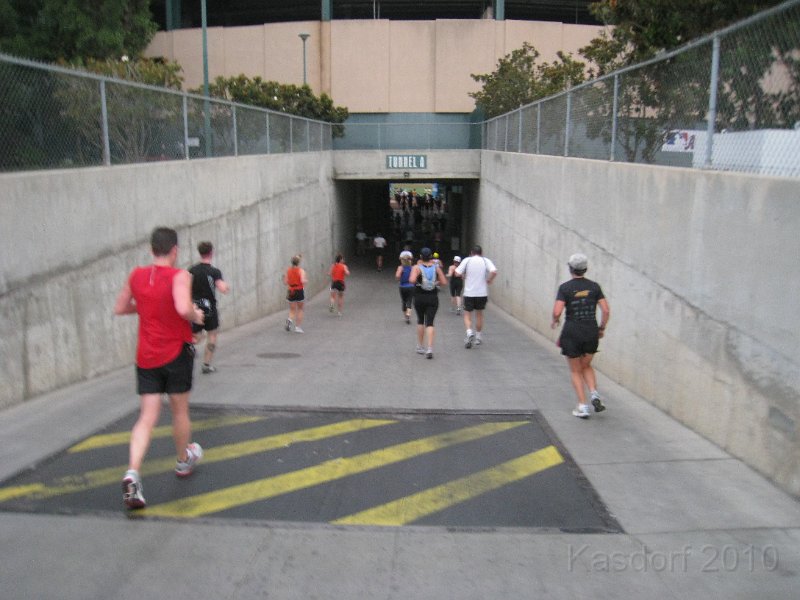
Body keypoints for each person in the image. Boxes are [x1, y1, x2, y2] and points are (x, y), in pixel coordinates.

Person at [113, 227, 205, 510]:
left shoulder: (137, 275)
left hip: (146, 357)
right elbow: (181, 308)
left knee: (146, 417)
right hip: (176, 353)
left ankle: (132, 472)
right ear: (174, 250)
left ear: (152, 249)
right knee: (179, 411)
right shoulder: (180, 276)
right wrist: (196, 313)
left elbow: (120, 307)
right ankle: (182, 460)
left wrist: (142, 307)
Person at [551, 253, 610, 419]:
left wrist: (555, 320)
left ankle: (583, 406)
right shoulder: (595, 287)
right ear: (585, 269)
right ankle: (594, 393)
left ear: (570, 268)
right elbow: (605, 310)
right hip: (591, 330)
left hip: (572, 331)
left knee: (576, 370)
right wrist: (601, 328)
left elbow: (557, 311)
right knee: (587, 365)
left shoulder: (565, 288)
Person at [189, 241, 230, 374]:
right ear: (211, 253)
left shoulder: (192, 270)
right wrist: (226, 286)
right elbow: (222, 288)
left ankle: (188, 346)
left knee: (196, 336)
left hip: (195, 308)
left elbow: (186, 287)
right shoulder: (214, 272)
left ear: (199, 253)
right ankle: (206, 364)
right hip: (210, 309)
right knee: (212, 335)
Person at [455, 244, 498, 348]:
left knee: (467, 314)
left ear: (471, 253)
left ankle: (469, 332)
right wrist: (489, 279)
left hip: (469, 293)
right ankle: (478, 337)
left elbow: (456, 273)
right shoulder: (485, 260)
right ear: (481, 253)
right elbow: (494, 271)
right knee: (479, 314)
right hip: (482, 293)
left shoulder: (467, 260)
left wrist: (463, 275)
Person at [408, 247, 448, 359]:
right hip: (433, 297)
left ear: (420, 257)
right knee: (430, 323)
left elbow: (411, 280)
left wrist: (417, 280)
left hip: (419, 297)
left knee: (420, 320)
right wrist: (435, 282)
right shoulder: (436, 268)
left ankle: (420, 346)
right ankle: (430, 348)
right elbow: (444, 282)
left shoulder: (417, 267)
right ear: (431, 257)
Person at [284, 254, 307, 333]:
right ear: (298, 263)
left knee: (292, 309)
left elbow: (285, 282)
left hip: (291, 291)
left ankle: (290, 320)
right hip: (299, 290)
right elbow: (303, 280)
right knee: (300, 309)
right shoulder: (301, 271)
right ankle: (298, 327)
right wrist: (306, 281)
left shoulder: (288, 270)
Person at [395, 253, 415, 324]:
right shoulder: (412, 268)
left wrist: (399, 278)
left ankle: (406, 317)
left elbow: (397, 276)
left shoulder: (401, 268)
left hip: (402, 286)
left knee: (404, 301)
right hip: (411, 286)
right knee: (409, 301)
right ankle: (408, 314)